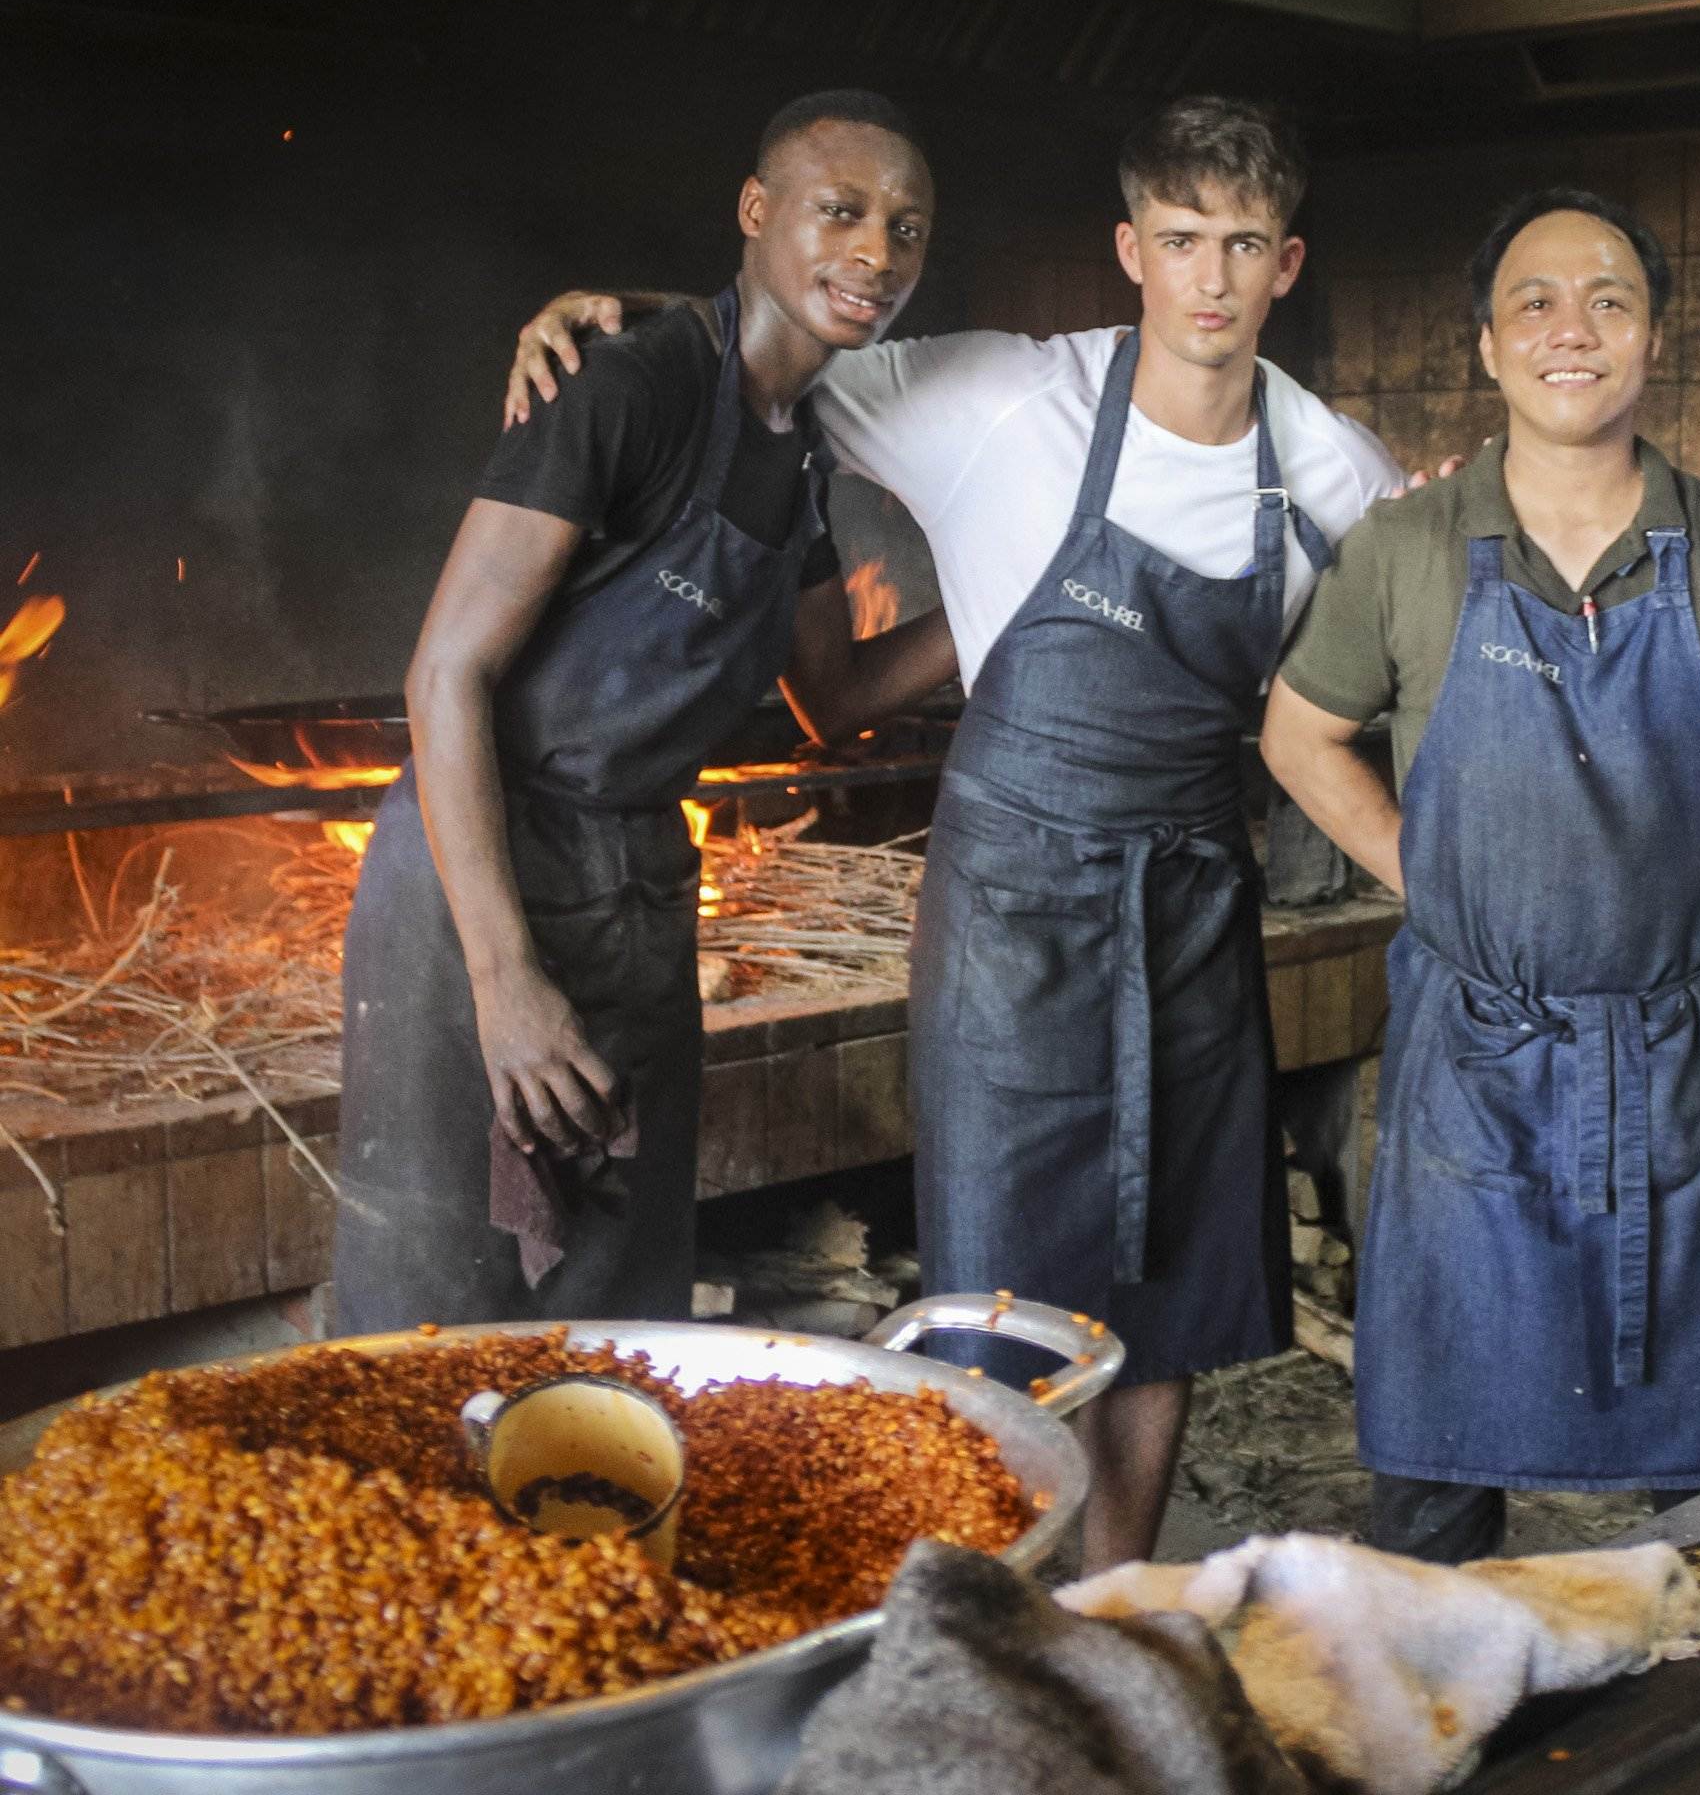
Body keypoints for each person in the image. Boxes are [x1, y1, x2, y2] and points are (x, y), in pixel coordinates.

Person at [507, 98, 1407, 1572]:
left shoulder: (1335, 471)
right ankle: (1007, 1605)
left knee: (1172, 1280)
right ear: (1133, 249)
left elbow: (1399, 653)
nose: (1211, 278)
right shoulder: (1002, 396)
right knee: (1004, 1282)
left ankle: (1117, 1599)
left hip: (1190, 890)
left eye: (1244, 245)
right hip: (1009, 904)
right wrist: (609, 316)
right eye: (1182, 240)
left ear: (1286, 263)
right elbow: (775, 335)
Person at [1262, 189, 1700, 1562]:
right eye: (1534, 301)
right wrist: (1428, 867)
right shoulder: (1407, 547)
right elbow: (1301, 736)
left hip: (1682, 1052)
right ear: (1486, 344)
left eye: (1608, 300)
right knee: (1434, 1472)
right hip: (1470, 1059)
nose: (1570, 330)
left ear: (1654, 339)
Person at [331, 91, 959, 1334]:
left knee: (621, 1292)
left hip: (639, 893)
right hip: (479, 884)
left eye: (907, 228)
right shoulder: (621, 389)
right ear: (756, 211)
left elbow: (830, 696)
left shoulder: (809, 447)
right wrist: (504, 981)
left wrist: (1002, 606)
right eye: (842, 212)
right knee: (434, 1306)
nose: (878, 254)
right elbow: (442, 675)